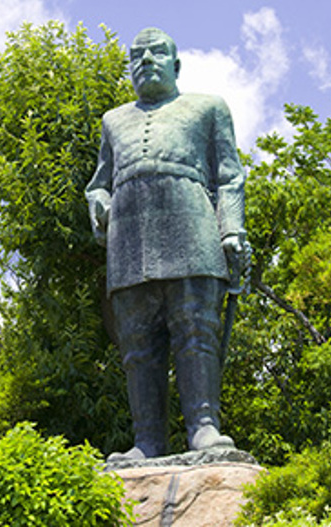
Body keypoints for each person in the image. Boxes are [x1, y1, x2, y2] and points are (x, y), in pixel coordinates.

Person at [86, 27, 249, 461]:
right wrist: (98, 202)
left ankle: (204, 426)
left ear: (176, 64)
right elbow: (98, 184)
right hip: (129, 239)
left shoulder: (208, 107)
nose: (147, 61)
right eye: (137, 56)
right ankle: (148, 441)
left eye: (157, 54)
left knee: (196, 330)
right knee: (137, 343)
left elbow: (230, 176)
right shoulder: (113, 120)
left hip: (192, 225)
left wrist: (230, 230)